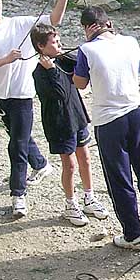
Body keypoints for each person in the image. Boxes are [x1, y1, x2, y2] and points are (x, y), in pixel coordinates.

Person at [0, 0, 78, 218]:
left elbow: (54, 20)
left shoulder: (19, 24)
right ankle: (40, 164)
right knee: (19, 135)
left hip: (23, 94)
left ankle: (18, 196)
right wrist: (6, 59)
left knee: (16, 144)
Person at [73, 6, 140, 252]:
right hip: (135, 112)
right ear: (109, 23)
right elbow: (136, 70)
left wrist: (86, 47)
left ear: (87, 28)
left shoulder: (87, 49)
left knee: (119, 178)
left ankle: (133, 234)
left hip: (108, 119)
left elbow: (80, 84)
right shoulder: (131, 42)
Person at [30, 23, 108, 225]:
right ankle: (70, 203)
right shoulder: (40, 74)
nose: (59, 44)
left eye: (58, 40)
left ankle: (89, 197)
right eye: (54, 42)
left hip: (77, 117)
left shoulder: (63, 61)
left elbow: (83, 67)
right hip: (60, 124)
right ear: (40, 46)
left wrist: (61, 55)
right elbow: (61, 94)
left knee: (86, 159)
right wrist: (53, 70)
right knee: (70, 165)